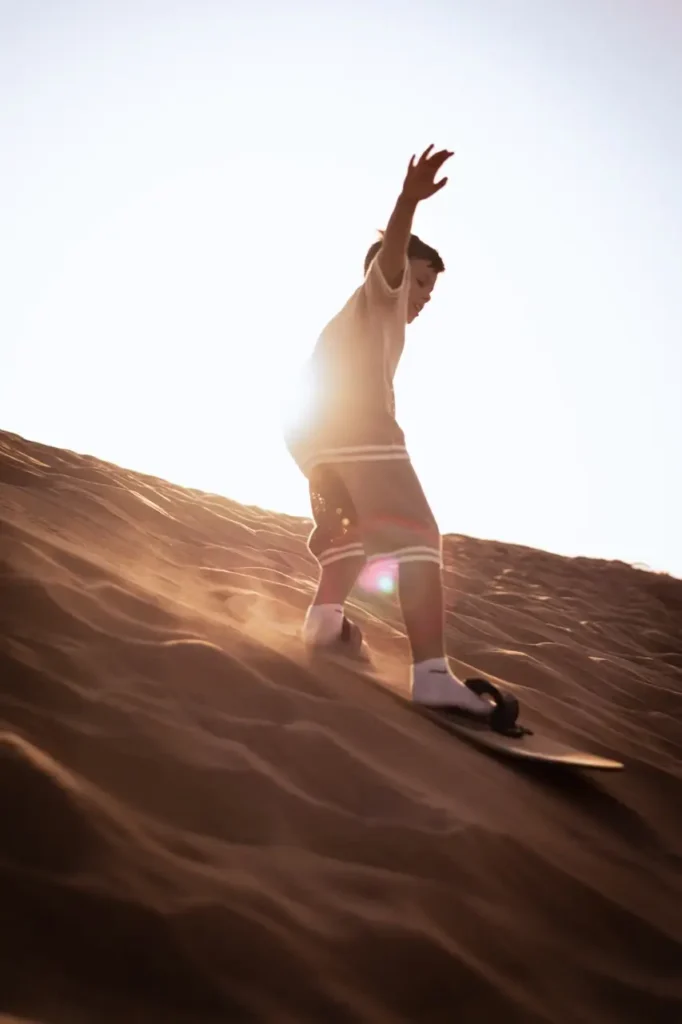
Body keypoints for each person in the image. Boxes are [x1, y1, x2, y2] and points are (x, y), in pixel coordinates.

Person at [284, 145, 488, 715]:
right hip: (353, 426)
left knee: (350, 539)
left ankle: (324, 624)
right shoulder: (382, 293)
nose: (421, 296)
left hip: (310, 435)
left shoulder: (363, 327)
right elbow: (394, 254)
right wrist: (407, 201)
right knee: (419, 536)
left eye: (428, 290)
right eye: (422, 282)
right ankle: (432, 674)